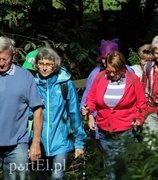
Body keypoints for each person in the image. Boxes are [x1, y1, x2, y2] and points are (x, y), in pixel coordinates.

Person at [84, 51, 147, 179]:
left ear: (122, 68)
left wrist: (139, 120)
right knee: (110, 163)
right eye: (109, 71)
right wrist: (88, 110)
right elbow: (90, 99)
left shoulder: (132, 79)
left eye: (115, 71)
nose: (112, 74)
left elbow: (142, 105)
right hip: (104, 129)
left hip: (126, 129)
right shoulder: (101, 77)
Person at [32, 47, 87, 179]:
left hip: (62, 141)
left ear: (55, 65)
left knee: (57, 177)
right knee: (40, 177)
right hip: (38, 142)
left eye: (48, 64)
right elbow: (24, 114)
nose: (44, 68)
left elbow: (74, 114)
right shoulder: (32, 85)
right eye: (41, 64)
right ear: (36, 64)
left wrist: (79, 143)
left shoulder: (65, 84)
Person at [0, 36, 43, 179]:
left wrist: (36, 142)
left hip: (17, 144)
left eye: (5, 59)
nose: (1, 63)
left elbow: (38, 110)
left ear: (13, 55)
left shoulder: (25, 76)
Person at [80, 38, 134, 139]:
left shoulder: (129, 71)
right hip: (101, 123)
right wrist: (89, 115)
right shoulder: (96, 74)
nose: (106, 61)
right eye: (104, 58)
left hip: (125, 124)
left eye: (109, 57)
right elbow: (88, 98)